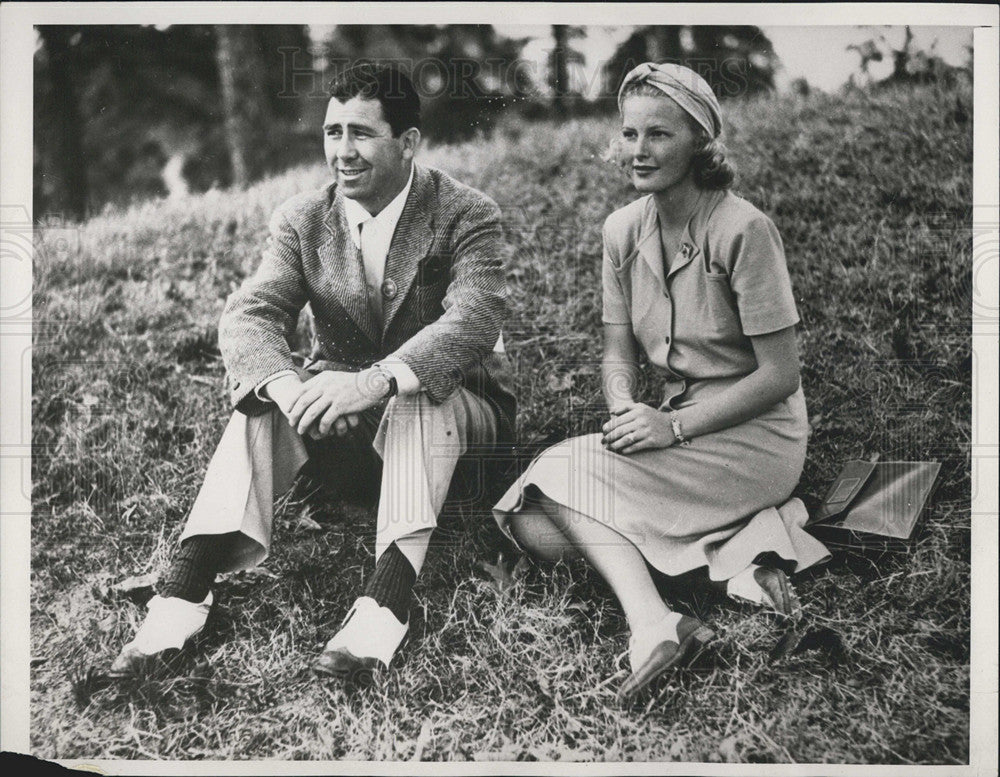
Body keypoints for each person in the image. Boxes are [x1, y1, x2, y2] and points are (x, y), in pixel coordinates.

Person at [110, 63, 515, 683]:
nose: (342, 153)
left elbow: (475, 320)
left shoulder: (465, 213)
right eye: (332, 133)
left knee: (419, 395)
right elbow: (250, 314)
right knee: (262, 398)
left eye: (361, 133)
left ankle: (385, 606)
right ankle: (184, 594)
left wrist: (374, 379)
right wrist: (291, 387)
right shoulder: (304, 219)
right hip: (350, 441)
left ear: (407, 143)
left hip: (462, 442)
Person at [492, 62, 829, 702]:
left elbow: (780, 376)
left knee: (558, 473)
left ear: (700, 140)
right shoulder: (621, 230)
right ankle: (734, 558)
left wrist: (671, 426)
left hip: (755, 436)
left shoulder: (744, 230)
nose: (638, 151)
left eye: (659, 135)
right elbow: (617, 349)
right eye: (629, 134)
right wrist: (623, 407)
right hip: (672, 428)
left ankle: (655, 624)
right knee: (535, 526)